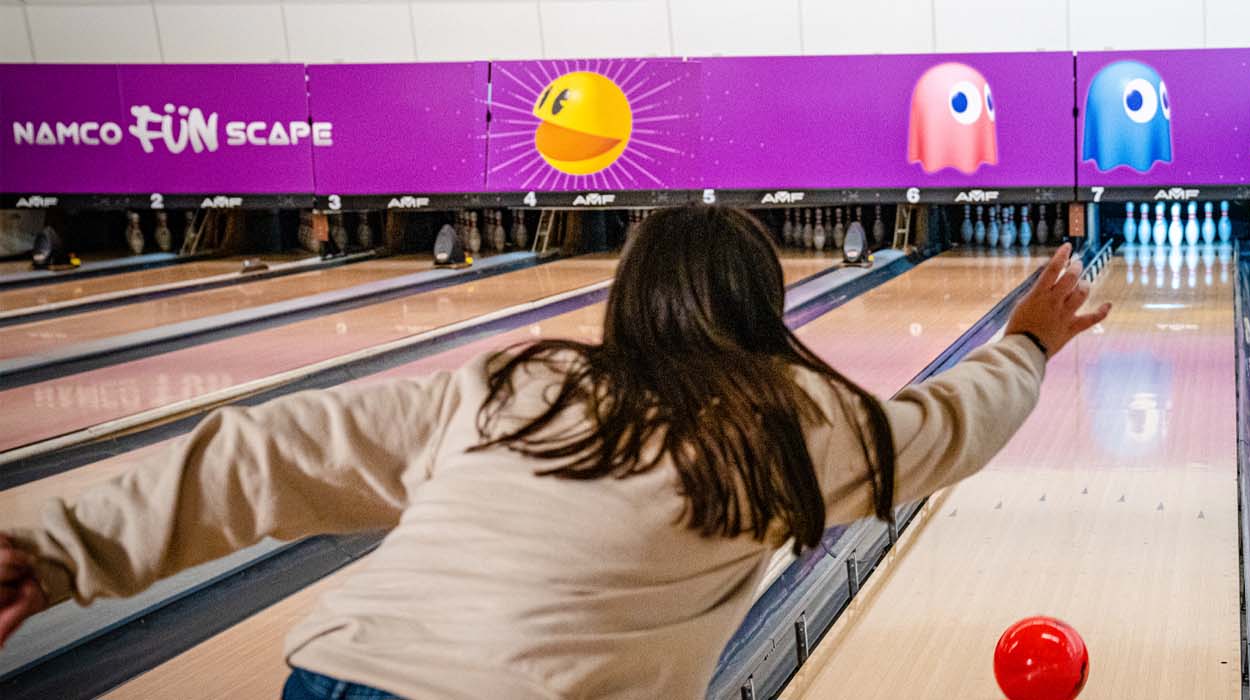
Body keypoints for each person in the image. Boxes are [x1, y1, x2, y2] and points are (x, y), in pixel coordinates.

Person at [0, 205, 1110, 699]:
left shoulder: (519, 383)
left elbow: (275, 449)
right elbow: (951, 423)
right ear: (766, 305)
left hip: (334, 674)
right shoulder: (785, 422)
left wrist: (52, 549)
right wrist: (1025, 341)